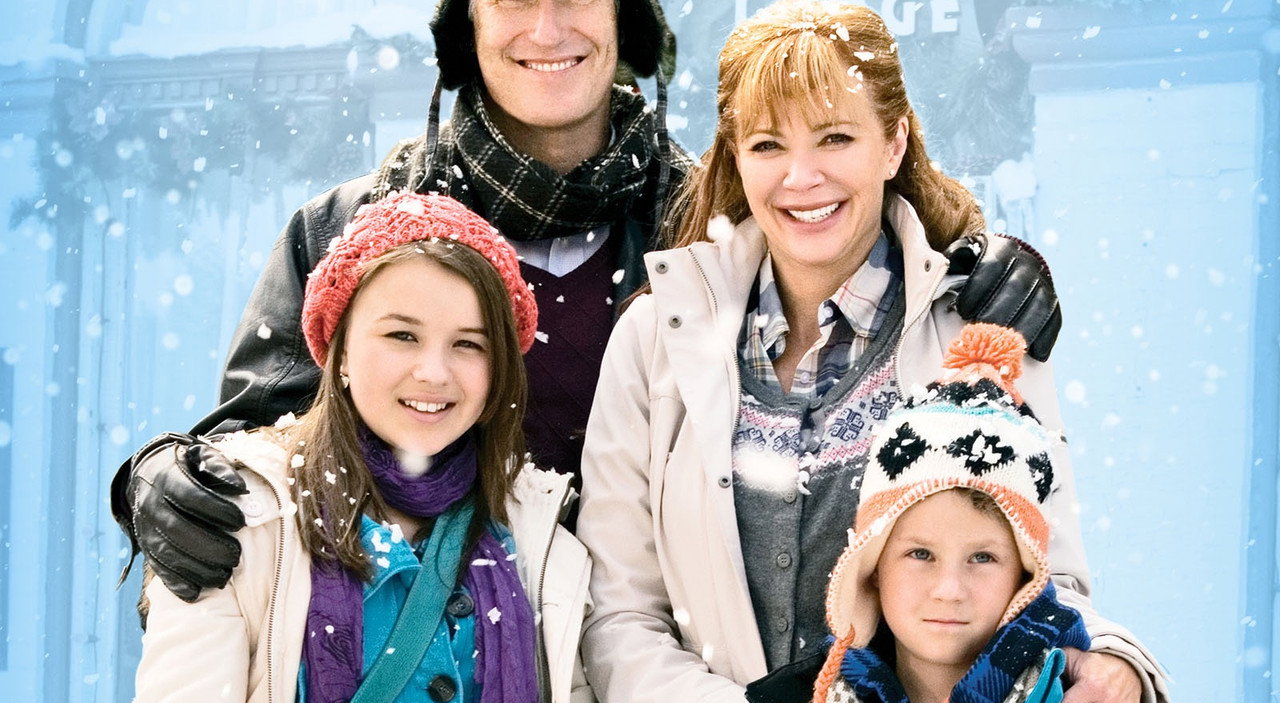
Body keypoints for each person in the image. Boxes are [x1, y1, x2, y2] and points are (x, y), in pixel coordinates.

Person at [111, 0, 1059, 604]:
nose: (546, 28)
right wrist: (154, 480)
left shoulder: (705, 229)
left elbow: (854, 228)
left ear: (625, 20)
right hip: (424, 654)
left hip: (649, 666)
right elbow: (254, 443)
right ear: (467, 25)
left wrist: (990, 263)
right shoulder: (353, 231)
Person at [573, 3, 1168, 703]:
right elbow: (618, 618)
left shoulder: (978, 332)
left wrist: (1117, 659)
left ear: (893, 144)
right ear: (734, 158)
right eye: (767, 145)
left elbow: (1048, 580)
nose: (801, 177)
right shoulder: (654, 340)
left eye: (835, 137)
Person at [128, 192, 596, 703]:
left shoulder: (541, 535)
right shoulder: (239, 516)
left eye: (469, 344)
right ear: (341, 349)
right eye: (402, 335)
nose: (433, 372)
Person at [745, 323, 1093, 703]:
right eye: (921, 554)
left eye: (982, 557)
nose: (949, 590)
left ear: (1025, 577)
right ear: (873, 567)